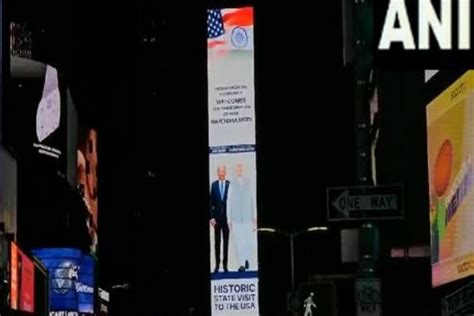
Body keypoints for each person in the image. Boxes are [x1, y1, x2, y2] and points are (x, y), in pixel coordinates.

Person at [228, 163, 256, 271]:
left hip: (248, 217)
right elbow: (228, 202)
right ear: (235, 172)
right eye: (237, 170)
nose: (239, 171)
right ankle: (242, 264)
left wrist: (254, 217)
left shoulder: (249, 183)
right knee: (239, 241)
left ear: (243, 170)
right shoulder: (232, 185)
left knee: (247, 241)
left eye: (240, 169)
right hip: (236, 218)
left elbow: (253, 199)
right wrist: (229, 219)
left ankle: (247, 259)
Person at [210, 164, 231, 273]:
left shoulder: (229, 184)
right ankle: (217, 266)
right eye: (219, 171)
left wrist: (231, 219)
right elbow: (210, 202)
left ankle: (225, 265)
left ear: (225, 172)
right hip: (217, 220)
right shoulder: (213, 185)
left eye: (223, 171)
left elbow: (232, 203)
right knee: (217, 243)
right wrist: (211, 217)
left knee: (226, 243)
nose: (221, 173)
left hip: (227, 220)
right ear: (217, 173)